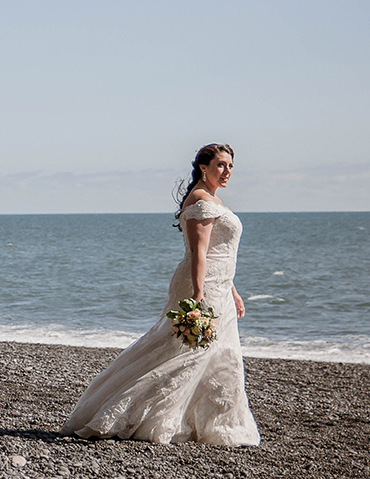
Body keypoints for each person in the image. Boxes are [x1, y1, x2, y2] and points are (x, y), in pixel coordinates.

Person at [59, 143, 260, 446]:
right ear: (203, 167)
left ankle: (211, 424)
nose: (227, 171)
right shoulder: (201, 200)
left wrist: (233, 290)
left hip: (220, 284)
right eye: (221, 165)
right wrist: (198, 297)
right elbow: (199, 254)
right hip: (202, 285)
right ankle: (133, 414)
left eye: (230, 166)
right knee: (187, 352)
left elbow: (220, 252)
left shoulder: (213, 199)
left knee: (217, 353)